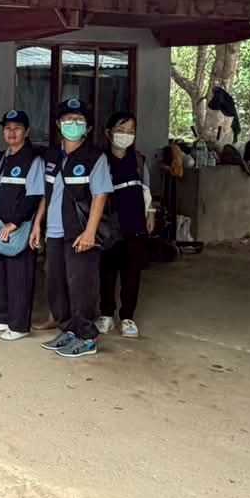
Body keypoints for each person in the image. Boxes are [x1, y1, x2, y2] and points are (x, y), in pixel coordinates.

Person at [36, 98, 114, 359]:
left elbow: (100, 195)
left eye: (79, 120)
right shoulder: (52, 156)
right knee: (56, 284)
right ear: (59, 124)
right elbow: (46, 194)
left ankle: (87, 337)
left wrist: (90, 232)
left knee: (82, 286)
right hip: (54, 232)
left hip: (79, 232)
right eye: (68, 119)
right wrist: (37, 225)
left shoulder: (95, 157)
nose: (73, 124)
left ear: (88, 128)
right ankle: (69, 330)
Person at [0, 110, 45, 340]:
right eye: (7, 128)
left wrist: (14, 223)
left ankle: (18, 325)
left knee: (19, 278)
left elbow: (34, 196)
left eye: (17, 128)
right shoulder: (0, 157)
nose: (11, 132)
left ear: (27, 132)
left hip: (20, 227)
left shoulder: (33, 159)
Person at [98, 111, 154, 339]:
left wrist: (151, 213)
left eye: (130, 131)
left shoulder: (139, 160)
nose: (126, 135)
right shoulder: (100, 160)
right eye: (120, 130)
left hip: (135, 221)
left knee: (132, 271)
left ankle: (128, 317)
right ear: (108, 133)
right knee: (107, 270)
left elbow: (147, 189)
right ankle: (106, 314)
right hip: (108, 224)